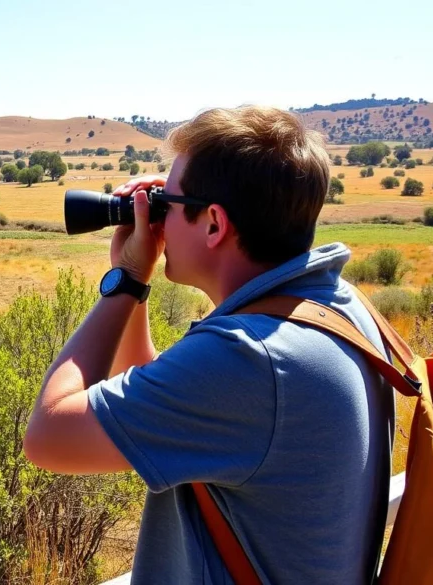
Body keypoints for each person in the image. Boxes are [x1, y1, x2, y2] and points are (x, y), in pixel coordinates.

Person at [23, 106, 393, 584]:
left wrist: (125, 282)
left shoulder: (251, 358)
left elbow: (50, 438)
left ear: (215, 224)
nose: (158, 215)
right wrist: (137, 288)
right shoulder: (336, 307)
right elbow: (166, 401)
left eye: (168, 203)